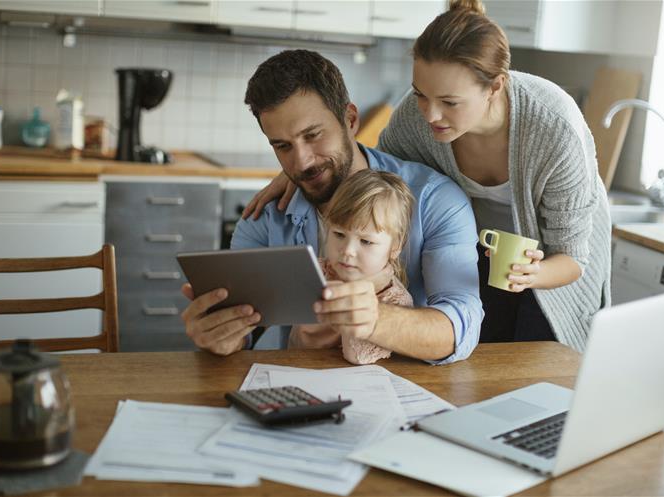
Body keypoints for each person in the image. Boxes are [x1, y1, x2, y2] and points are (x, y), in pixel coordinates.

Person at [242, 1, 611, 352]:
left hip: (554, 258)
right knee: (484, 355)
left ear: (496, 87)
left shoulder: (554, 127)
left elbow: (574, 257)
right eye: (420, 95)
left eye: (449, 102)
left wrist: (530, 275)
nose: (430, 115)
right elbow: (377, 173)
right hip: (485, 250)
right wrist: (302, 173)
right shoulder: (413, 120)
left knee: (543, 359)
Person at [181, 49, 483, 364]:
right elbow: (241, 332)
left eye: (313, 135)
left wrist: (375, 319)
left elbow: (462, 326)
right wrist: (219, 336)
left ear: (350, 120)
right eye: (282, 146)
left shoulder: (435, 201)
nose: (301, 162)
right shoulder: (265, 216)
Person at [289, 169, 415, 365]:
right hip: (298, 371)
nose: (347, 250)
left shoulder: (394, 300)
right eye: (339, 234)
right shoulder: (316, 273)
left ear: (395, 247)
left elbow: (357, 356)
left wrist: (352, 296)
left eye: (365, 241)